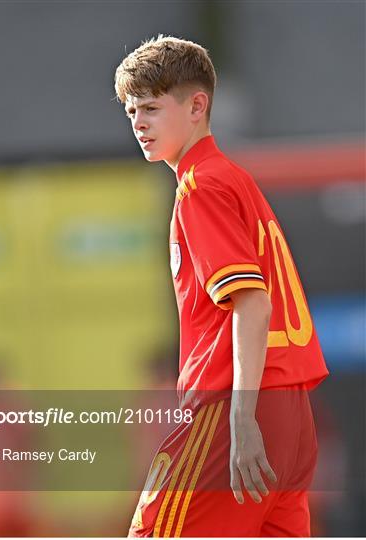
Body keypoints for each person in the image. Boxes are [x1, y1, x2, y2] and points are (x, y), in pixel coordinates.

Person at [114, 36, 329, 538]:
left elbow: (252, 302)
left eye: (150, 107)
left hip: (235, 406)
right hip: (293, 413)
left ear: (197, 105)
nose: (138, 123)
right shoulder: (235, 179)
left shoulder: (200, 185)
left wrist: (242, 418)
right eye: (130, 112)